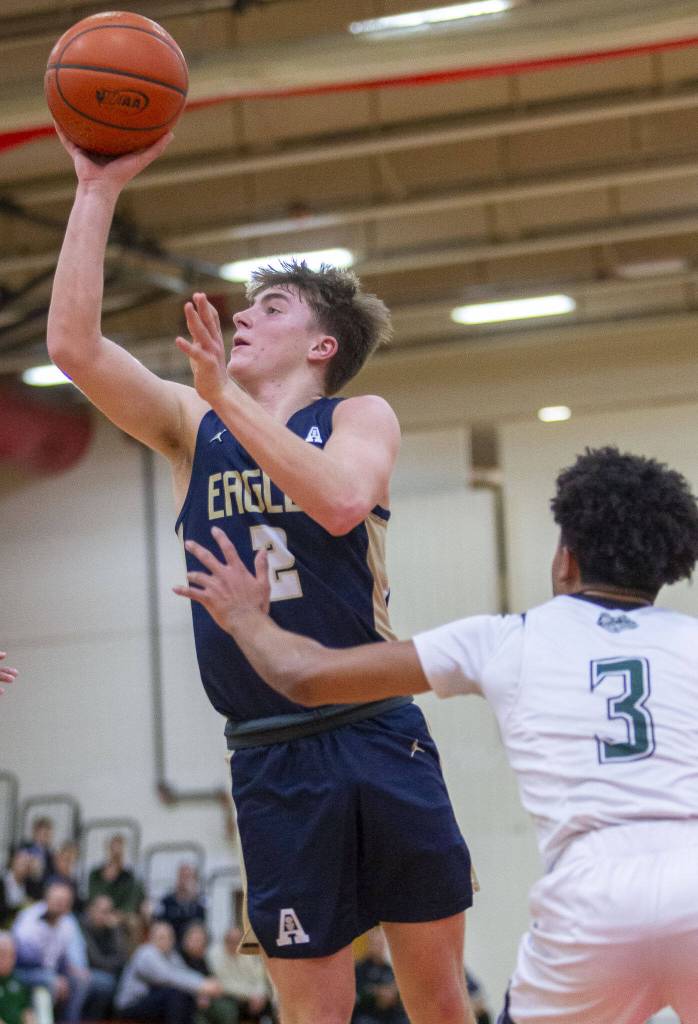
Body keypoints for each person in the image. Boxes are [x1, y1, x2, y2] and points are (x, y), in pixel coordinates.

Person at [47, 127, 474, 1024]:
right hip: (270, 752)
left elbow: (341, 505)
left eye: (270, 306)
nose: (243, 316)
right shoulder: (187, 424)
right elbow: (76, 349)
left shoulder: (358, 415)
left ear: (321, 346)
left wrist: (226, 398)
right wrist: (93, 190)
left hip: (374, 730)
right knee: (312, 1010)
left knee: (437, 1001)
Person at [173, 446, 698, 1024]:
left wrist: (246, 617)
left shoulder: (508, 638)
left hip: (591, 900)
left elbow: (305, 676)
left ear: (565, 560)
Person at [12, 882, 91, 1023]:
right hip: (24, 971)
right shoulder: (29, 918)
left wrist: (74, 969)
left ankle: (69, 1021)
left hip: (52, 972)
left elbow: (69, 956)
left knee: (81, 980)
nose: (61, 905)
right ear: (46, 899)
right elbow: (24, 959)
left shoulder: (68, 922)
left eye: (65, 902)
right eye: (57, 900)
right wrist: (54, 976)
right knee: (50, 981)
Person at [115, 921, 222, 1024]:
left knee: (185, 995)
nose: (166, 941)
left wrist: (204, 984)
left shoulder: (171, 955)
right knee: (175, 994)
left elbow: (184, 973)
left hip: (151, 1001)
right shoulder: (146, 953)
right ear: (151, 938)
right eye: (161, 937)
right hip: (130, 1006)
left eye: (169, 937)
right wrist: (202, 986)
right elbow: (168, 977)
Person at [208, 926, 275, 1024]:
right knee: (228, 1009)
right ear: (225, 941)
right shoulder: (215, 956)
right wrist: (251, 995)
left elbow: (259, 977)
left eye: (237, 941)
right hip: (230, 996)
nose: (234, 945)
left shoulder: (248, 953)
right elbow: (224, 984)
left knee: (272, 1004)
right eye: (231, 941)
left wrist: (259, 995)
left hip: (253, 997)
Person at [81, 895, 129, 1018]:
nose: (105, 916)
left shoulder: (111, 929)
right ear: (91, 910)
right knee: (107, 983)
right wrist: (114, 964)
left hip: (108, 972)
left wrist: (116, 929)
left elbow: (123, 957)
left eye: (109, 912)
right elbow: (95, 960)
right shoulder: (83, 927)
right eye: (102, 911)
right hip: (86, 973)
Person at [352, 928, 407, 1024]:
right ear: (369, 945)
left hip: (389, 1016)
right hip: (366, 1015)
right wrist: (377, 995)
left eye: (381, 944)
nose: (379, 947)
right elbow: (357, 995)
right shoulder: (359, 969)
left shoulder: (390, 970)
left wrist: (394, 995)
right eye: (376, 944)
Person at [157, 866, 205, 949]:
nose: (184, 881)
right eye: (182, 876)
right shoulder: (167, 900)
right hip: (170, 941)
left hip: (190, 943)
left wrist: (192, 898)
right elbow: (159, 920)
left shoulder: (198, 902)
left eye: (188, 877)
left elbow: (201, 922)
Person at [0, 931, 36, 1024]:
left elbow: (26, 1011)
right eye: (2, 954)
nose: (7, 959)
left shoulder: (18, 981)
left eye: (11, 955)